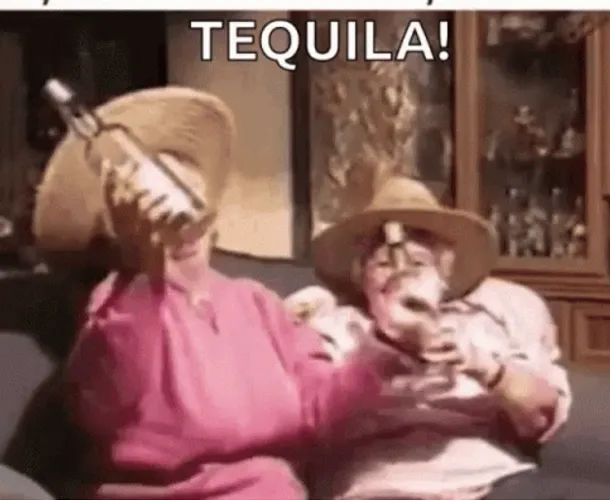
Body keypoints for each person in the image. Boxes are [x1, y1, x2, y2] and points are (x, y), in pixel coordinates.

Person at [31, 88, 419, 500]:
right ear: (120, 224)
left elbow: (320, 408)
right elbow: (114, 402)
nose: (173, 213)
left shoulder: (257, 302)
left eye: (184, 189)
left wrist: (394, 342)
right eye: (153, 199)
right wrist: (143, 265)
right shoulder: (119, 305)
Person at [286, 176, 572, 500]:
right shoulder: (334, 328)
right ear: (362, 277)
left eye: (419, 263)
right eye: (383, 264)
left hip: (495, 481)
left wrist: (483, 367)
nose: (401, 275)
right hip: (380, 488)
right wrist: (385, 348)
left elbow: (538, 420)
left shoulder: (492, 317)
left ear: (444, 274)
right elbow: (302, 426)